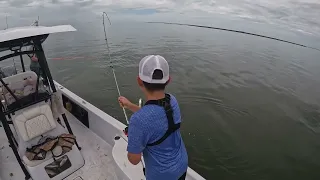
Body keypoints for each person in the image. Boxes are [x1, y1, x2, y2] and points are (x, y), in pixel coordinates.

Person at [118, 55, 188, 180]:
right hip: (182, 165)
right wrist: (129, 105)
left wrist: (135, 139)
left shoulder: (138, 121)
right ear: (168, 80)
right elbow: (157, 115)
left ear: (139, 81)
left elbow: (134, 160)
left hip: (161, 176)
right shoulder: (172, 100)